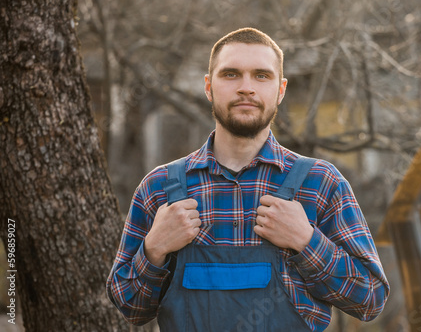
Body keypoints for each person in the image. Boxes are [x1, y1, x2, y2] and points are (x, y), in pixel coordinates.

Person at [107, 27, 390, 332]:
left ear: (280, 90)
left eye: (261, 76)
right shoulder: (159, 187)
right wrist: (154, 249)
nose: (246, 88)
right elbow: (130, 308)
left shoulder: (321, 183)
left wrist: (307, 242)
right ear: (208, 87)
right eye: (231, 74)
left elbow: (370, 299)